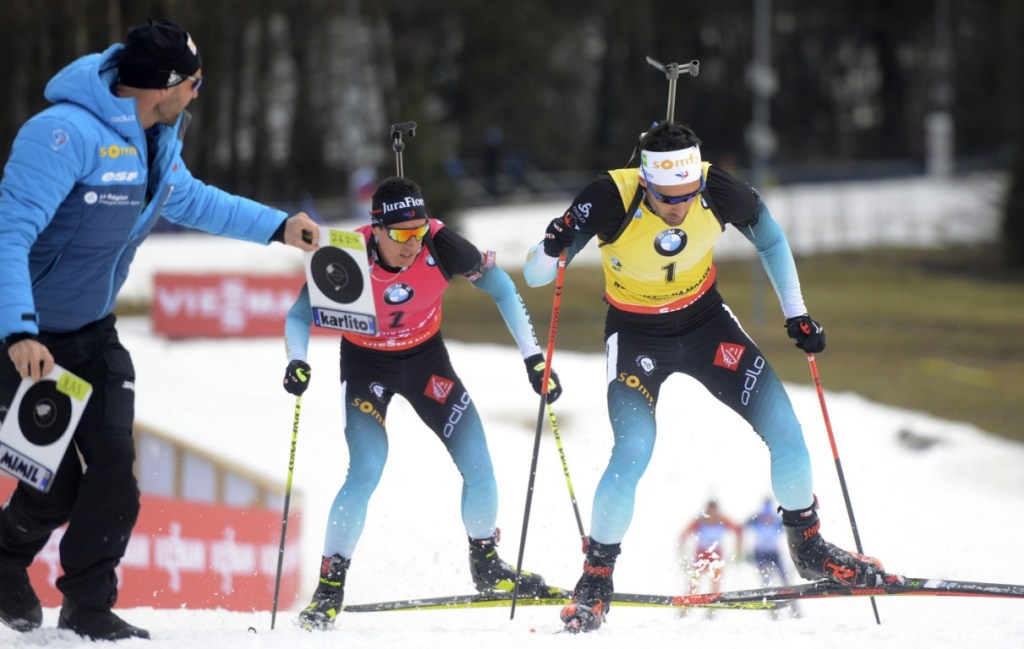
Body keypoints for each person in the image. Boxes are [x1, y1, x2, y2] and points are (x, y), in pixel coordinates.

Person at [0, 18, 319, 641]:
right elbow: (8, 237)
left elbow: (195, 200)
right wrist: (20, 332)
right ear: (165, 85)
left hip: (93, 338)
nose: (198, 94)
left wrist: (280, 227)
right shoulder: (62, 135)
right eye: (194, 83)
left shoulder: (157, 140)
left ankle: (87, 607)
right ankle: (8, 558)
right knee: (54, 486)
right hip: (25, 346)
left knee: (116, 474)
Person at [524, 121, 898, 633]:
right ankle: (595, 576)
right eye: (665, 195)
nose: (677, 205)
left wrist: (797, 313)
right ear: (646, 179)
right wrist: (552, 244)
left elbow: (770, 238)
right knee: (633, 449)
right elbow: (537, 275)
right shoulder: (610, 196)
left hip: (707, 325)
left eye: (687, 193)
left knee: (786, 430)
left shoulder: (716, 185)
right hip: (636, 339)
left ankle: (808, 547)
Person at [281, 176, 563, 630]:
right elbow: (298, 314)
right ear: (375, 229)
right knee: (367, 467)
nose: (413, 243)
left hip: (427, 363)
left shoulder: (441, 242)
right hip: (366, 368)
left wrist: (534, 358)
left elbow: (503, 288)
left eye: (418, 231)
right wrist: (297, 361)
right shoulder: (344, 254)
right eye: (401, 235)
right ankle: (329, 588)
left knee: (480, 465)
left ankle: (487, 566)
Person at [745, 497, 800, 619]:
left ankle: (795, 610)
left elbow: (792, 533)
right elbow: (740, 529)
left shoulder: (777, 523)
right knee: (767, 582)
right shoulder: (755, 521)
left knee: (785, 581)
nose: (767, 520)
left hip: (774, 554)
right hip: (760, 555)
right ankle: (772, 611)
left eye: (769, 517)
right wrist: (742, 551)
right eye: (765, 517)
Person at [678, 500, 743, 599]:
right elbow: (684, 534)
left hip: (716, 555)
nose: (711, 514)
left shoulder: (723, 520)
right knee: (694, 579)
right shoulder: (700, 521)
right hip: (702, 554)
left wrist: (738, 550)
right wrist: (681, 554)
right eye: (709, 512)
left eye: (713, 512)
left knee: (716, 578)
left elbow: (738, 530)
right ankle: (688, 601)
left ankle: (713, 600)